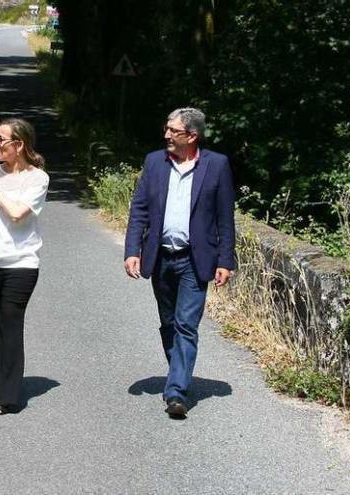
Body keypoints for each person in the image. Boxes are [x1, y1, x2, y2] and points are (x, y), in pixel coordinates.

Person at [123, 107, 236, 418]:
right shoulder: (154, 163)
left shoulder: (216, 165)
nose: (167, 135)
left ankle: (176, 392)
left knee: (186, 325)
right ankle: (179, 371)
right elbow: (140, 211)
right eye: (167, 129)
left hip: (194, 259)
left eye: (174, 131)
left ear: (192, 136)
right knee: (169, 323)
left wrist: (225, 259)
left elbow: (225, 217)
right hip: (160, 257)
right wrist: (133, 250)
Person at [0, 118, 49, 415]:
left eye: (2, 139)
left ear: (20, 145)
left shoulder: (38, 179)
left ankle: (6, 394)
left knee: (11, 323)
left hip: (22, 264)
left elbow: (17, 214)